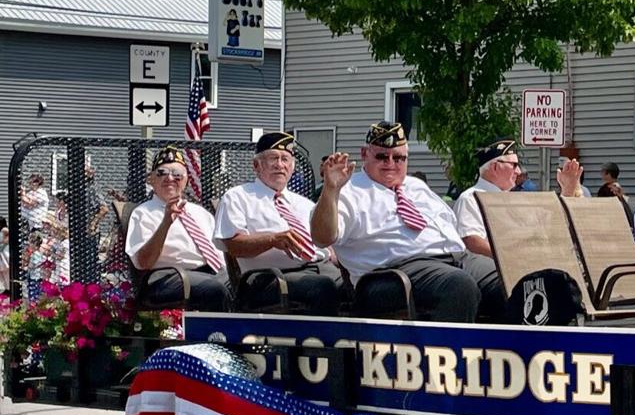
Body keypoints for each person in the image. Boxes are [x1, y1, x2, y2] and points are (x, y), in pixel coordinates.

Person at [311, 121, 505, 322]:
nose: (391, 164)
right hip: (391, 273)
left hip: (457, 257)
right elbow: (322, 237)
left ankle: (512, 351)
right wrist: (330, 191)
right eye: (382, 157)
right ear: (364, 154)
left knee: (513, 281)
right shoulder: (347, 191)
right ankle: (445, 352)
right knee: (458, 285)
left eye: (399, 158)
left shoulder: (416, 186)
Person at [215, 132, 344, 316]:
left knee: (356, 285)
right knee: (322, 287)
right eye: (273, 158)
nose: (280, 165)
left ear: (292, 167)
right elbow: (234, 246)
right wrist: (272, 240)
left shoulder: (305, 204)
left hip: (321, 268)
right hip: (268, 279)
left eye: (285, 159)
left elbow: (329, 246)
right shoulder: (238, 197)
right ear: (256, 165)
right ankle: (319, 345)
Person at [125, 148, 233, 311]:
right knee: (215, 289)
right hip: (167, 277)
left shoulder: (200, 213)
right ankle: (218, 335)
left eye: (177, 173)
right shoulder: (143, 213)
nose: (170, 178)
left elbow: (219, 255)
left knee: (242, 285)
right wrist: (166, 223)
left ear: (186, 180)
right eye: (162, 173)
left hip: (209, 273)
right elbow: (143, 262)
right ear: (151, 179)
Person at [455, 140, 584, 256]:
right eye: (514, 165)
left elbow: (546, 227)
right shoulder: (470, 198)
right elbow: (472, 241)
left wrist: (567, 190)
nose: (518, 171)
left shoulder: (513, 198)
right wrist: (510, 259)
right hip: (495, 272)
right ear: (494, 167)